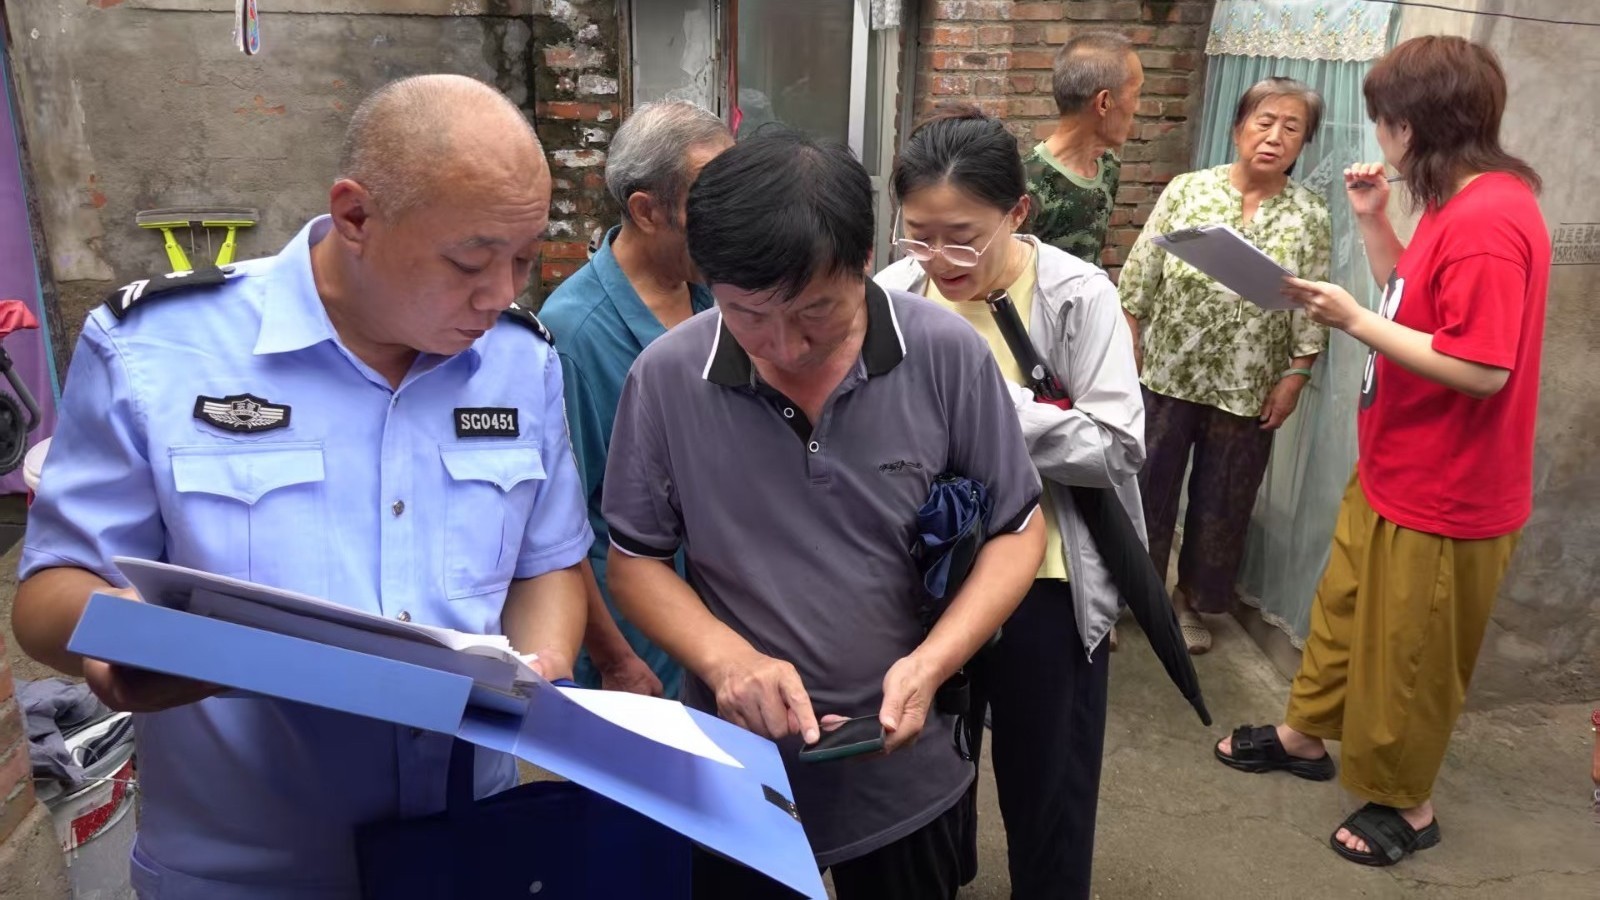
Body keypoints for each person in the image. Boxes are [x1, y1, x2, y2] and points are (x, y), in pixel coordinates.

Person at [11, 75, 593, 897]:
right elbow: (45, 597)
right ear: (355, 216)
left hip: (467, 854)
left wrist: (546, 671)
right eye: (471, 260)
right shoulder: (158, 351)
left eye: (525, 259)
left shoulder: (519, 362)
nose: (502, 294)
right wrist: (140, 641)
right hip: (244, 872)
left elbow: (548, 562)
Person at [602, 128, 1046, 899]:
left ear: (866, 261)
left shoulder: (944, 356)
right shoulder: (667, 378)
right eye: (747, 314)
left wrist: (934, 662)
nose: (783, 344)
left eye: (816, 312)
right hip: (738, 776)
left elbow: (1017, 531)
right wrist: (726, 662)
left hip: (906, 775)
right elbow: (636, 559)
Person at [1217, 36, 1550, 866]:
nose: (1381, 141)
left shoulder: (1487, 219)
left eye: (1384, 123)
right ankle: (1304, 737)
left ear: (1413, 124)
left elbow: (1481, 367)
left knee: (1410, 654)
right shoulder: (1454, 203)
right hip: (1397, 466)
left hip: (1450, 489)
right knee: (1343, 612)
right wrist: (1375, 226)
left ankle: (1409, 802)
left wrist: (1352, 320)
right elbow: (1419, 306)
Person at [876, 105, 1144, 900]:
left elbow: (1119, 447)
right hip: (927, 577)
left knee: (1047, 783)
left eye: (963, 235)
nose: (938, 258)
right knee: (931, 772)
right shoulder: (892, 294)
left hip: (1048, 582)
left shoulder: (1075, 296)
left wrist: (992, 407)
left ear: (1017, 212)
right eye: (918, 234)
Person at [1119, 77, 1331, 654]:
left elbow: (1313, 305)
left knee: (1224, 497)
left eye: (1292, 128)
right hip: (1168, 369)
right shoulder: (1188, 190)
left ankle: (1194, 602)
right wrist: (1129, 340)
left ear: (1303, 143)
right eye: (1264, 122)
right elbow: (1141, 272)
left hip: (1247, 381)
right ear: (1239, 128)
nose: (1274, 137)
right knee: (1145, 485)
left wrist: (1296, 376)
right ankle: (1127, 595)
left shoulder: (1310, 215)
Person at [541, 100, 733, 700]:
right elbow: (558, 526)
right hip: (638, 647)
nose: (734, 222)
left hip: (715, 628)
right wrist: (616, 658)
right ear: (647, 210)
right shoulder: (576, 335)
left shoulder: (717, 299)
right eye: (712, 206)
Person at [1025, 30, 1144, 266]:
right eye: (1136, 95)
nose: (1137, 108)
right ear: (1103, 103)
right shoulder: (1028, 184)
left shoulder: (1108, 166)